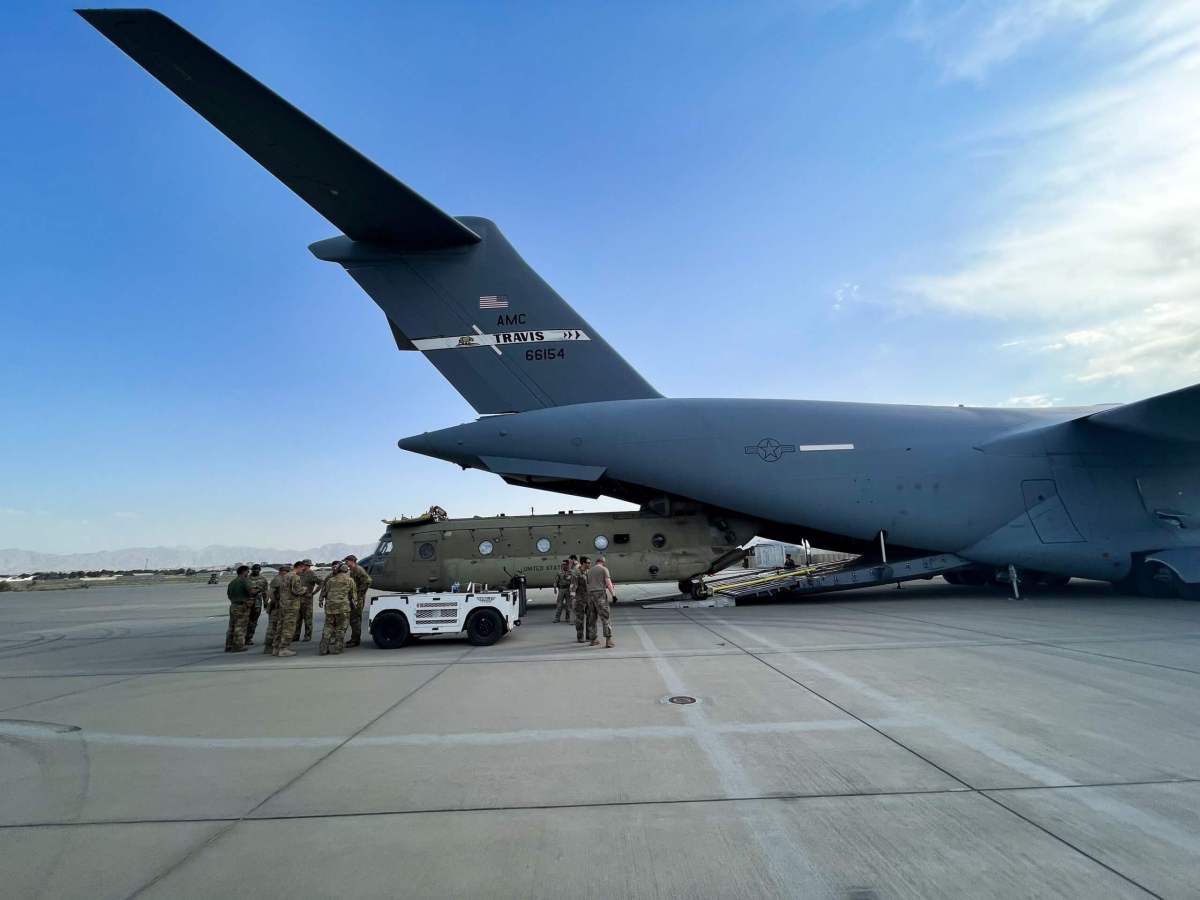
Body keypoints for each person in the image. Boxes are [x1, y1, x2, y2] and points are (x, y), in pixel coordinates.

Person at [273, 559, 310, 657]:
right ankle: (283, 648)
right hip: (291, 606)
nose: (303, 570)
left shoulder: (285, 576)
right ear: (299, 567)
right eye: (303, 568)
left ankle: (276, 648)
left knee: (280, 626)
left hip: (283, 604)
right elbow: (297, 591)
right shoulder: (295, 577)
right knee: (289, 627)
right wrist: (304, 589)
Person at [318, 561, 356, 655]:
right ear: (346, 570)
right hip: (343, 608)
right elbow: (353, 595)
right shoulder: (350, 580)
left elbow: (324, 592)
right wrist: (354, 604)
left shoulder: (331, 580)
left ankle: (323, 649)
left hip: (330, 607)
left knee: (328, 627)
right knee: (341, 628)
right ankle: (338, 648)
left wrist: (321, 600)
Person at [585, 555, 615, 648]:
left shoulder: (589, 571)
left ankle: (593, 640)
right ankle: (608, 640)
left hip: (590, 595)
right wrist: (613, 595)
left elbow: (588, 584)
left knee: (592, 618)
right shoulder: (604, 569)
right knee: (605, 617)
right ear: (603, 561)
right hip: (600, 594)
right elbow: (608, 583)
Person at [344, 554, 372, 647]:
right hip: (355, 599)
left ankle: (355, 640)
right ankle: (355, 639)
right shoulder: (352, 570)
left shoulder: (358, 569)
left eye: (347, 561)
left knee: (355, 620)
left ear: (352, 561)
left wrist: (360, 595)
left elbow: (368, 581)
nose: (346, 563)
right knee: (354, 620)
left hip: (357, 600)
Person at [264, 563, 291, 654]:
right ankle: (269, 647)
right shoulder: (278, 579)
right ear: (283, 572)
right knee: (273, 627)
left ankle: (271, 647)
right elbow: (270, 592)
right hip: (276, 607)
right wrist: (275, 601)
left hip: (278, 606)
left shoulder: (281, 579)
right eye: (287, 572)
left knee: (275, 627)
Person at [224, 565, 252, 652]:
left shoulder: (232, 582)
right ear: (243, 572)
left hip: (233, 606)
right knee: (240, 626)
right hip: (241, 606)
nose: (248, 573)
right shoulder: (244, 581)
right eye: (247, 572)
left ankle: (228, 645)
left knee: (231, 626)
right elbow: (250, 591)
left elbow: (229, 594)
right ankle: (238, 646)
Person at [292, 558, 321, 642]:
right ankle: (296, 636)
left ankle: (307, 636)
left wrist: (313, 593)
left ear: (307, 566)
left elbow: (321, 583)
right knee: (297, 619)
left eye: (304, 565)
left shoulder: (312, 574)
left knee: (307, 619)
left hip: (307, 601)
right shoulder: (298, 574)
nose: (302, 567)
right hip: (297, 600)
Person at [244, 564, 269, 645]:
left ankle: (248, 638)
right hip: (247, 603)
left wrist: (265, 602)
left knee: (253, 622)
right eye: (254, 569)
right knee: (244, 621)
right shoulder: (246, 578)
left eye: (257, 569)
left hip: (257, 603)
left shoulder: (263, 579)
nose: (255, 571)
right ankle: (241, 638)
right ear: (251, 570)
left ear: (260, 570)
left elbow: (265, 592)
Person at [572, 557, 591, 643]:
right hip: (580, 598)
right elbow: (573, 586)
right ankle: (580, 637)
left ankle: (589, 635)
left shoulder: (588, 572)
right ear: (583, 563)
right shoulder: (576, 573)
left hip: (588, 598)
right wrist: (573, 598)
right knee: (580, 618)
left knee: (590, 618)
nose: (589, 564)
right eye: (588, 562)